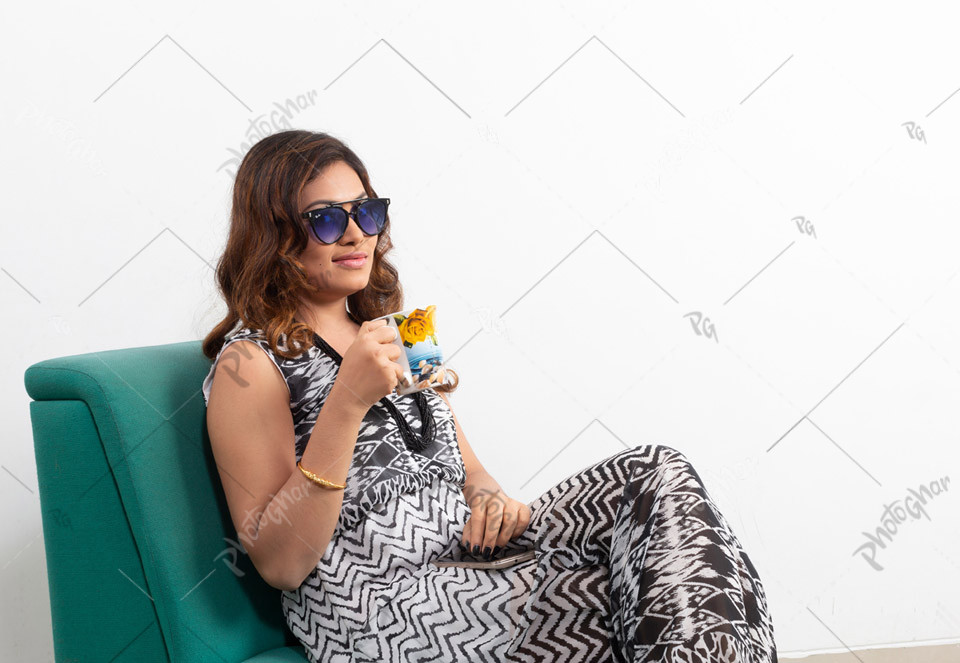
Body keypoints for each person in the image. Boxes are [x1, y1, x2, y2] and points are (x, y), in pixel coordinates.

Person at [201, 130, 778, 662]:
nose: (356, 234)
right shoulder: (251, 363)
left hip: (476, 560)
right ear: (273, 235)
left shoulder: (397, 334)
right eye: (326, 219)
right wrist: (347, 403)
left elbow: (471, 474)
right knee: (657, 590)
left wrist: (493, 503)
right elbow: (279, 563)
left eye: (367, 212)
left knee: (658, 482)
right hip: (386, 608)